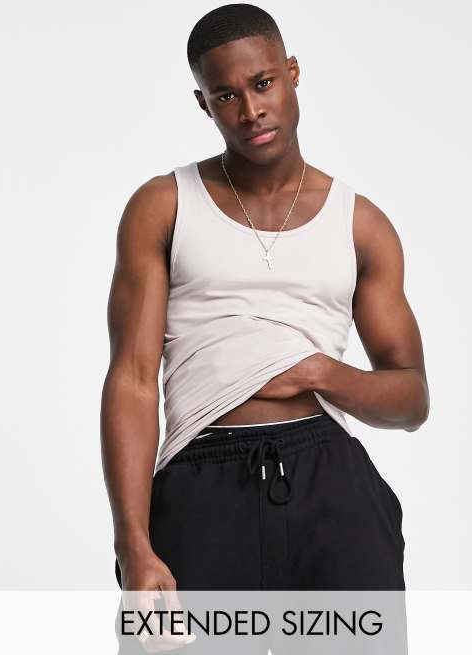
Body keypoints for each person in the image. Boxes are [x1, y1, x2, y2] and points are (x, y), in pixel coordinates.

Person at [101, 3, 429, 601]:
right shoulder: (163, 205)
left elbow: (411, 400)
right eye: (225, 95)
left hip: (332, 484)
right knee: (160, 639)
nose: (250, 111)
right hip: (198, 481)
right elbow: (132, 379)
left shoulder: (361, 224)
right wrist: (133, 545)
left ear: (292, 73)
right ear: (203, 104)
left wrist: (316, 372)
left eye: (262, 83)